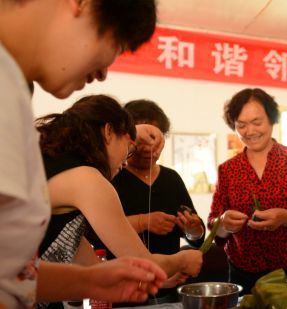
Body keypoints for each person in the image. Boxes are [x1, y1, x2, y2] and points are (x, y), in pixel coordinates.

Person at [0, 0, 167, 307]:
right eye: (116, 43)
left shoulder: (15, 86)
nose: (104, 73)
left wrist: (92, 280)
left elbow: (8, 272)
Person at [36, 95, 203, 308]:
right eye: (129, 147)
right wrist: (183, 260)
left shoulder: (56, 166)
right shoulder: (88, 180)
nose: (125, 161)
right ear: (107, 132)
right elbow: (146, 263)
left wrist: (156, 277)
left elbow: (95, 270)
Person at [207, 88, 287, 295]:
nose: (249, 131)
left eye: (257, 123)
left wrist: (286, 217)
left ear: (271, 120)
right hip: (244, 272)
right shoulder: (228, 169)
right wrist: (224, 222)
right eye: (241, 125)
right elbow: (214, 222)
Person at [111, 99, 206, 305]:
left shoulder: (171, 178)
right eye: (142, 140)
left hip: (169, 287)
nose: (149, 148)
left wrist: (193, 229)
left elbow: (195, 238)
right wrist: (143, 221)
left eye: (156, 139)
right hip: (122, 289)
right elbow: (98, 233)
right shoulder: (112, 177)